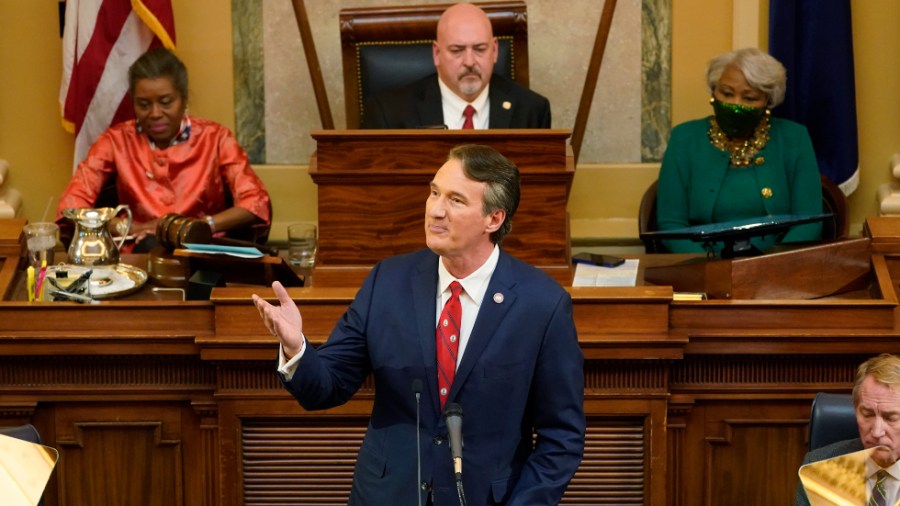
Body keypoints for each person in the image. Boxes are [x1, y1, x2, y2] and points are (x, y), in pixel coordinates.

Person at [253, 144, 585, 505]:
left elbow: (561, 437)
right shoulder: (388, 282)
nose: (436, 210)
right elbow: (328, 386)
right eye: (434, 192)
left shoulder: (542, 305)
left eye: (456, 200)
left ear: (494, 219)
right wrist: (296, 348)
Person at [55, 47, 271, 251]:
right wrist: (122, 226)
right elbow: (72, 204)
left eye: (166, 102)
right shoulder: (115, 141)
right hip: (138, 256)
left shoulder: (216, 138)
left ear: (184, 99)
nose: (155, 113)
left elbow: (255, 202)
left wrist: (200, 225)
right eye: (144, 104)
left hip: (202, 250)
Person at [656, 47, 822, 254]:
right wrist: (711, 267)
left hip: (777, 267)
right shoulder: (685, 138)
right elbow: (671, 224)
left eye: (749, 98)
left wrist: (771, 264)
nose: (736, 105)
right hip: (701, 267)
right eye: (726, 93)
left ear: (767, 102)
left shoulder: (794, 138)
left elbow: (809, 221)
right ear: (713, 92)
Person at [361, 3, 551, 130]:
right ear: (437, 54)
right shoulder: (388, 114)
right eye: (457, 50)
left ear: (494, 51)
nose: (469, 62)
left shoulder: (532, 111)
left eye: (479, 49)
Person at [795, 353, 900, 506]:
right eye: (867, 414)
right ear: (855, 410)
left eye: (891, 418)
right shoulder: (817, 468)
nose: (877, 432)